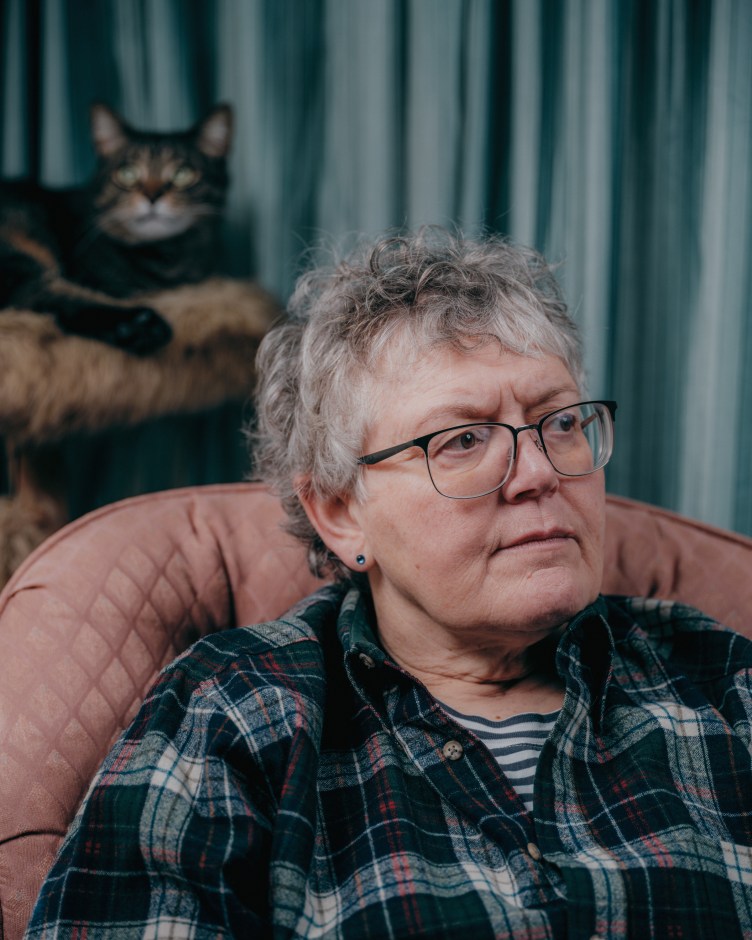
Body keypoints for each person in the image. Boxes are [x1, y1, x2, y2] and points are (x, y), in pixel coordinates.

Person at [27, 229, 752, 939]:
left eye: (559, 423)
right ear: (342, 513)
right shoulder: (235, 713)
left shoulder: (723, 685)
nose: (540, 474)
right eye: (463, 440)